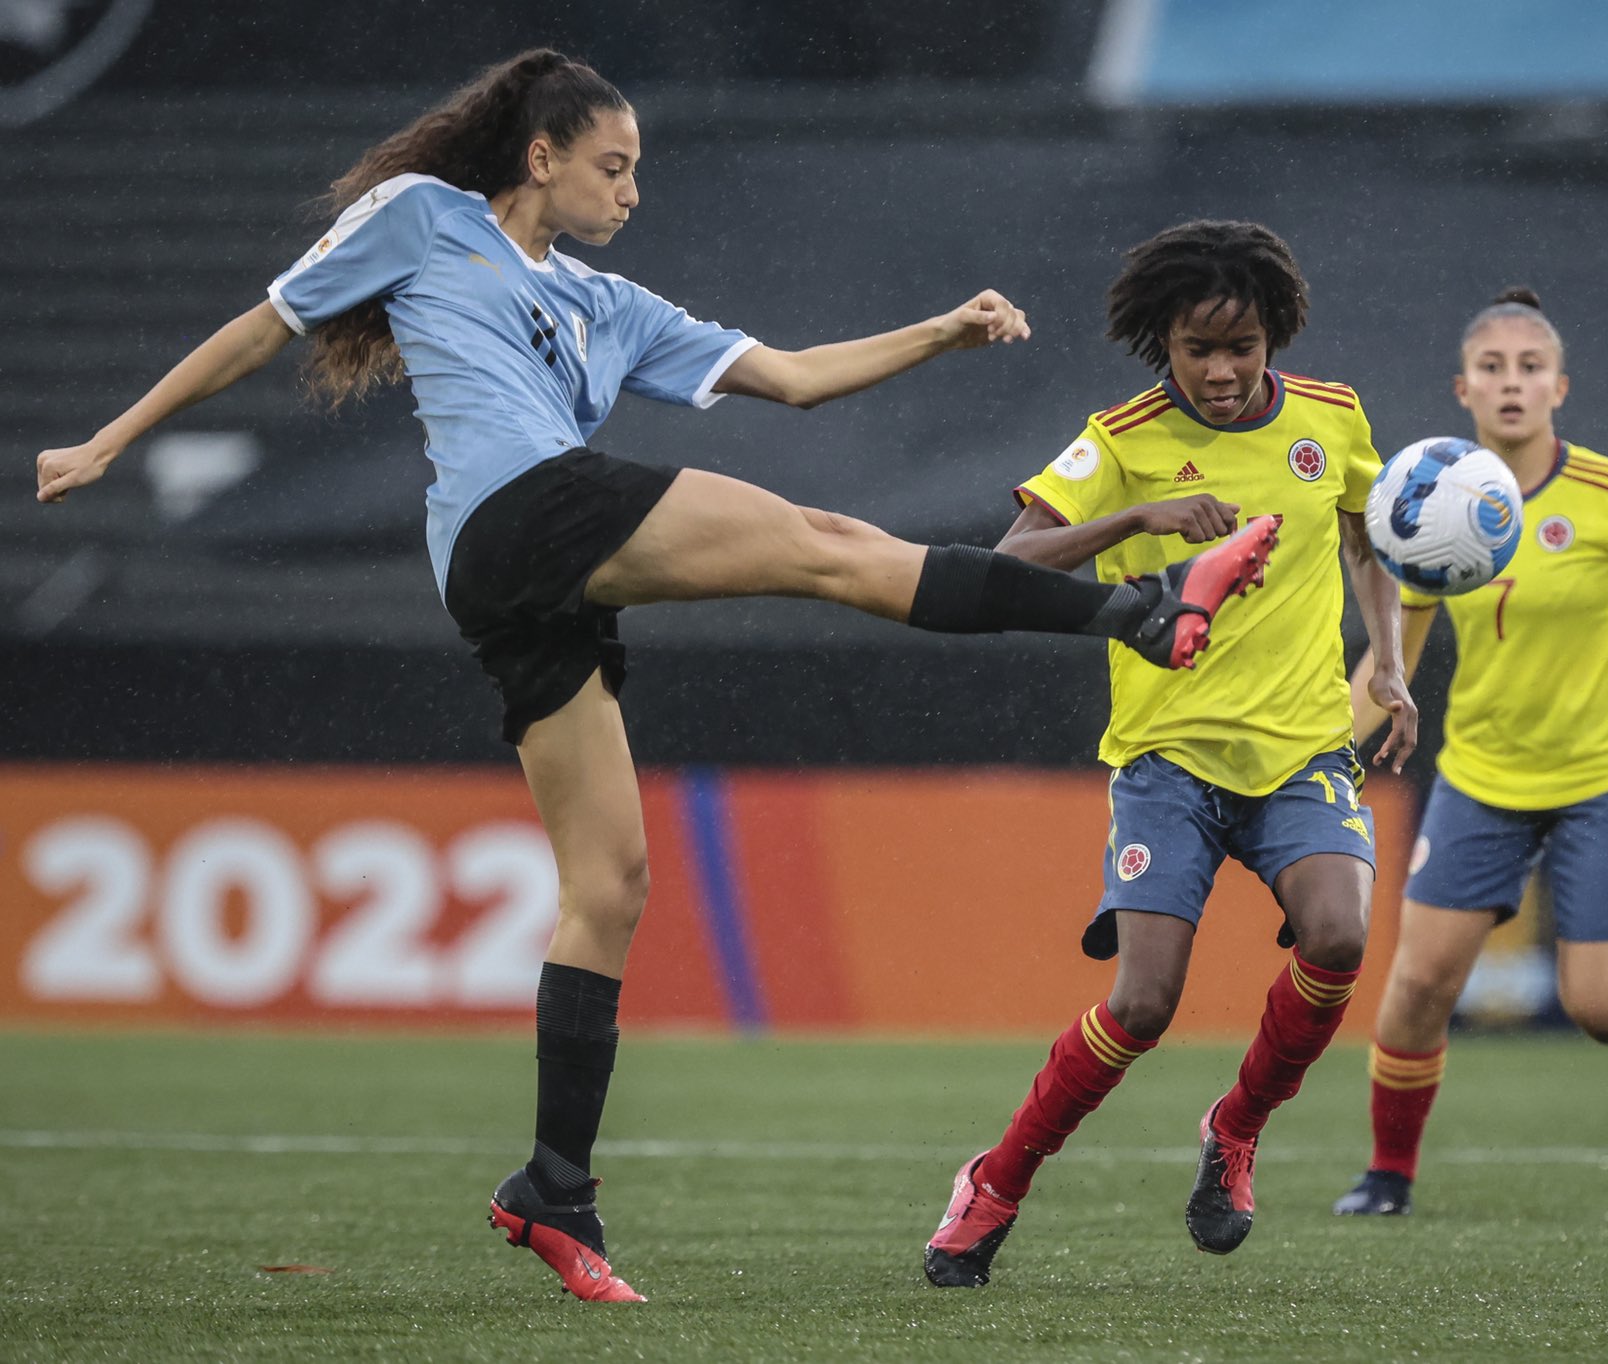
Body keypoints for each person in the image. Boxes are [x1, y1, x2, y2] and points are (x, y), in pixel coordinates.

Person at [32, 51, 1283, 1304]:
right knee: (835, 550)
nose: (630, 191)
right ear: (541, 156)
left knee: (610, 884)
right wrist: (112, 437)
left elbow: (790, 378)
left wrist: (942, 331)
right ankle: (1138, 612)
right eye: (611, 165)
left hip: (528, 583)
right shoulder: (428, 217)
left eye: (636, 170)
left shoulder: (608, 303)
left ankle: (552, 1189)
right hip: (516, 515)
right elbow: (269, 321)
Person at [922, 219, 1419, 1288]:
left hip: (1299, 753)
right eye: (1199, 348)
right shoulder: (1120, 437)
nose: (1225, 368)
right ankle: (995, 1180)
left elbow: (1363, 533)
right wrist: (1135, 515)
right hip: (1167, 761)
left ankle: (1234, 1128)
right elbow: (1004, 563)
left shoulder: (1331, 419)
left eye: (1241, 345)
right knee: (1143, 1003)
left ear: (1271, 333)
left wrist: (1384, 657)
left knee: (1336, 936)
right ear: (1162, 343)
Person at [1331, 287, 1608, 1220]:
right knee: (1420, 982)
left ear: (1560, 387)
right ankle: (1389, 1175)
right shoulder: (1430, 503)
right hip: (1483, 777)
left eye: (1530, 368)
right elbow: (1391, 664)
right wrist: (1316, 757)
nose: (1512, 384)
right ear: (1463, 389)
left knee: (1600, 1005)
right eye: (1494, 369)